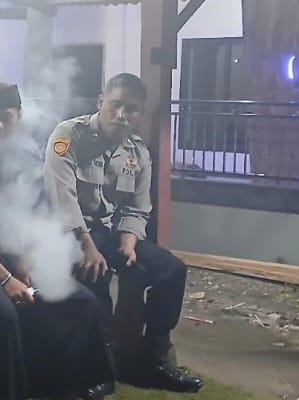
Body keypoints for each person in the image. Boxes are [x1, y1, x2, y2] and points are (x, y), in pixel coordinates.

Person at [0, 83, 116, 400]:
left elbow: (38, 217)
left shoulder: (28, 159)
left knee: (80, 300)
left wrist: (27, 262)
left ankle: (75, 385)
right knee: (3, 312)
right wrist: (7, 279)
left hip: (13, 255)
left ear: (18, 117)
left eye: (6, 118)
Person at [45, 73, 203, 393]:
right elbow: (62, 202)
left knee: (171, 269)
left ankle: (155, 360)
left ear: (139, 113)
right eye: (115, 105)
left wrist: (129, 242)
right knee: (96, 273)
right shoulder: (68, 136)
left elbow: (137, 207)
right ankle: (98, 370)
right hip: (67, 233)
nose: (121, 114)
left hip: (109, 233)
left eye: (131, 109)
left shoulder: (138, 152)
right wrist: (87, 246)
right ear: (100, 102)